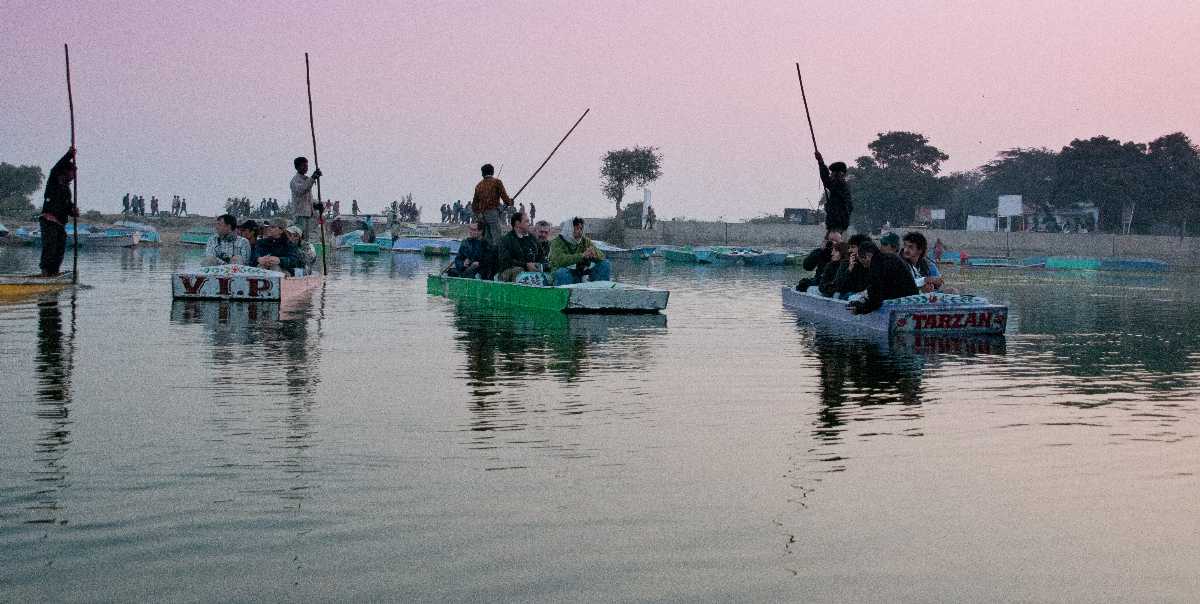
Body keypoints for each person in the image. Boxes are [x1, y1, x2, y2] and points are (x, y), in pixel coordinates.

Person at [847, 239, 918, 315]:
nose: (861, 262)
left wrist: (859, 309)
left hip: (900, 307)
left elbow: (875, 300)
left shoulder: (876, 266)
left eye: (861, 259)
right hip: (912, 301)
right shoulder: (891, 257)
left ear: (868, 256)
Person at [38, 148, 77, 277]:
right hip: (49, 220)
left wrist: (73, 211)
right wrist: (69, 155)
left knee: (59, 250)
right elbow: (55, 169)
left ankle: (54, 273)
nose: (73, 176)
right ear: (65, 172)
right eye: (72, 173)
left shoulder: (67, 190)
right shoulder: (54, 182)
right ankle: (45, 273)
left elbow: (67, 207)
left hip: (60, 223)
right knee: (50, 248)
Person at [549, 217, 611, 285]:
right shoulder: (557, 242)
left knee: (605, 264)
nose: (580, 232)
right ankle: (565, 294)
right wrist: (582, 255)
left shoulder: (585, 241)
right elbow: (559, 261)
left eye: (581, 229)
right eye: (577, 229)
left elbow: (602, 256)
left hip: (581, 273)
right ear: (569, 229)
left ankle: (600, 289)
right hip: (565, 274)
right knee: (561, 272)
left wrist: (594, 254)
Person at [471, 163, 513, 248]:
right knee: (497, 236)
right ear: (493, 172)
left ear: (482, 173)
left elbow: (474, 204)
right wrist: (510, 202)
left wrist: (478, 214)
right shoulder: (497, 182)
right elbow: (504, 196)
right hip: (493, 213)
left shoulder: (478, 186)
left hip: (482, 216)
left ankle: (487, 255)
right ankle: (498, 255)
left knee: (487, 237)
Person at [815, 151, 853, 233]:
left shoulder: (840, 184)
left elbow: (827, 181)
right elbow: (827, 181)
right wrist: (821, 162)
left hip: (837, 223)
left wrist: (821, 162)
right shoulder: (840, 185)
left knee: (834, 242)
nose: (831, 175)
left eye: (832, 173)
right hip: (837, 222)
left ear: (839, 174)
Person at [496, 211, 540, 282]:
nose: (529, 224)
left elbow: (541, 256)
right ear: (517, 224)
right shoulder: (506, 240)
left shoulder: (532, 239)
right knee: (519, 271)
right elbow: (505, 261)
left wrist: (539, 265)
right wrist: (526, 265)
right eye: (526, 221)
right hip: (509, 272)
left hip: (531, 272)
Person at [290, 156, 322, 241]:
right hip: (299, 214)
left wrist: (316, 205)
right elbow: (302, 190)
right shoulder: (295, 180)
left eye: (307, 166)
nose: (306, 168)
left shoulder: (306, 179)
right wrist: (313, 178)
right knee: (299, 237)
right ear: (297, 167)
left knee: (305, 238)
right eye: (303, 166)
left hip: (307, 214)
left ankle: (305, 253)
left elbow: (308, 199)